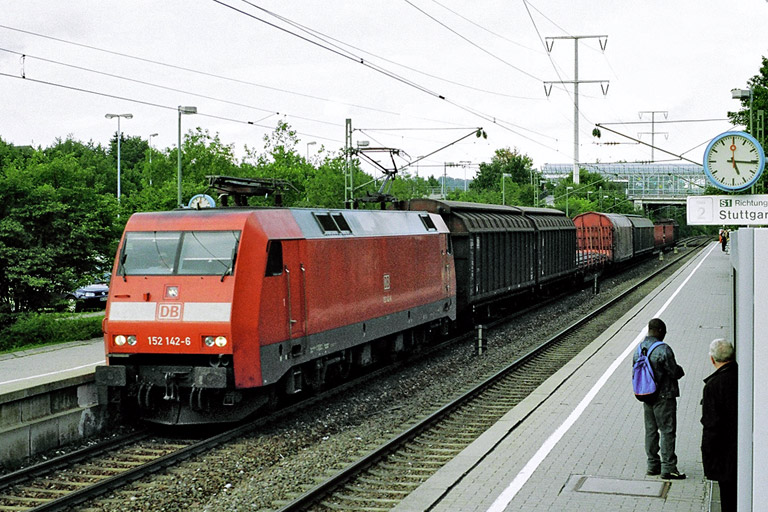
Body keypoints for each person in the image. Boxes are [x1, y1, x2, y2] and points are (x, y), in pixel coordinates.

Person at [632, 318, 686, 479]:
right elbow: (673, 371)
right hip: (665, 396)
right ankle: (668, 467)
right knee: (667, 431)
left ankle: (652, 465)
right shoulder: (663, 349)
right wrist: (680, 371)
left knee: (650, 431)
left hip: (647, 395)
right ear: (660, 331)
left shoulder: (638, 348)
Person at [701, 338, 738, 512]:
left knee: (728, 497)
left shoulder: (713, 386)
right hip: (744, 448)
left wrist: (708, 458)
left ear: (712, 359)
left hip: (724, 453)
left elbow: (711, 426)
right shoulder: (744, 375)